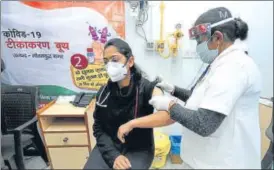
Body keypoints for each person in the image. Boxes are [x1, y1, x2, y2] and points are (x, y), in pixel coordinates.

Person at [117, 7, 262, 169]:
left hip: (223, 162)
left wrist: (169, 105)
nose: (198, 47)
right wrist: (173, 89)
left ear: (218, 37)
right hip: (204, 158)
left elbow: (203, 124)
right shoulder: (222, 63)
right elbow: (199, 98)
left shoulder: (234, 67)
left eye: (200, 41)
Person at [83, 38, 169, 169]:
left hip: (139, 148)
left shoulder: (146, 88)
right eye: (106, 62)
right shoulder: (104, 93)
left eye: (115, 59)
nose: (109, 66)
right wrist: (113, 155)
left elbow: (168, 115)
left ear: (130, 61)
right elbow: (98, 127)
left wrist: (132, 123)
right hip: (109, 144)